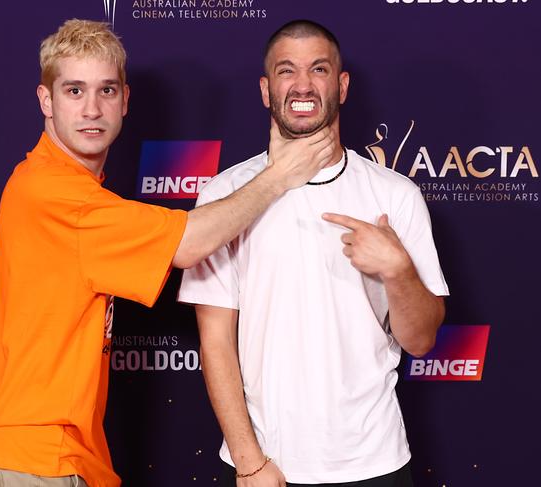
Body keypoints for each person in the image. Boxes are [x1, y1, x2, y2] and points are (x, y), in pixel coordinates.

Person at [0, 19, 336, 487]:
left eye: (105, 90)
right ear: (46, 101)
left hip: (59, 456)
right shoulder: (54, 193)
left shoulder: (67, 187)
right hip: (36, 460)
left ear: (125, 100)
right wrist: (280, 175)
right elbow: (188, 243)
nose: (92, 109)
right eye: (74, 91)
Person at [178, 19, 448, 487]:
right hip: (268, 466)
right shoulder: (224, 197)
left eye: (318, 69)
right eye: (286, 71)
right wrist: (250, 461)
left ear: (341, 86)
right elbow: (215, 340)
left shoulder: (396, 195)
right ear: (266, 90)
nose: (302, 84)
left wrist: (398, 269)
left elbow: (422, 341)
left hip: (375, 461)